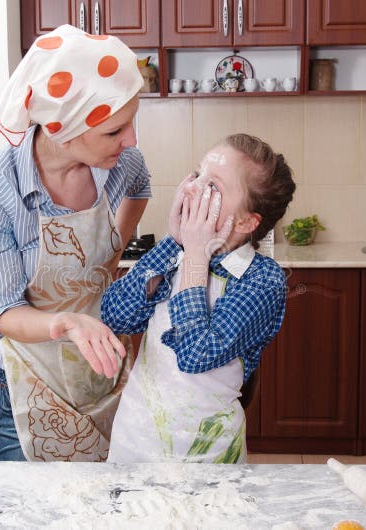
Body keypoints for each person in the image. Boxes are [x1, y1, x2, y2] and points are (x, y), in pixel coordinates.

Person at [0, 24, 151, 462]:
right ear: (64, 128)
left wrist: (113, 248)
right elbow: (5, 312)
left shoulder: (124, 166)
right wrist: (66, 322)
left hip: (100, 364)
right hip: (29, 373)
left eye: (131, 123)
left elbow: (139, 188)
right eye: (114, 131)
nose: (131, 140)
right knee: (30, 506)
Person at [101, 133, 296, 463]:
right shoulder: (177, 252)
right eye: (197, 174)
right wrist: (175, 242)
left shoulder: (262, 280)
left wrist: (193, 256)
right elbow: (115, 315)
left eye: (214, 187)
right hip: (134, 442)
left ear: (248, 221)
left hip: (207, 456)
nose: (192, 188)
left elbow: (195, 355)